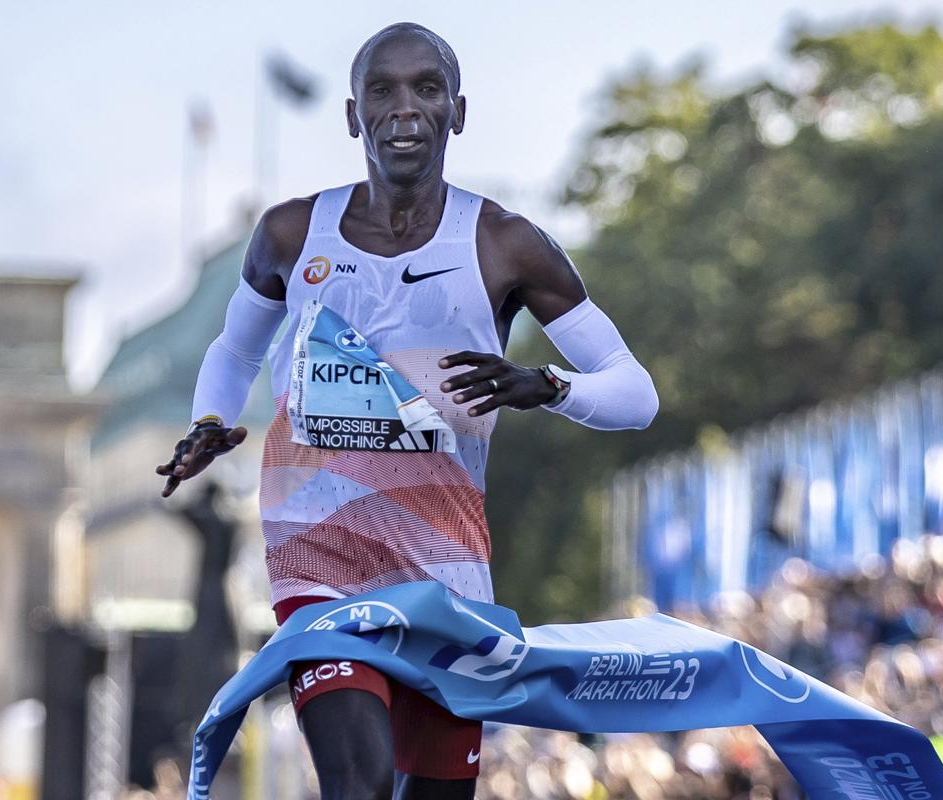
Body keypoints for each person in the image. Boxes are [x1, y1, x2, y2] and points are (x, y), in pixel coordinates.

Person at [157, 22, 658, 800]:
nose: (404, 109)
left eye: (426, 89)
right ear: (353, 116)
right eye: (381, 92)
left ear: (457, 111)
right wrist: (209, 421)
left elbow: (635, 392)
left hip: (445, 564)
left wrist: (548, 386)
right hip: (319, 553)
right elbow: (233, 350)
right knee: (353, 787)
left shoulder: (505, 244)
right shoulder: (292, 233)